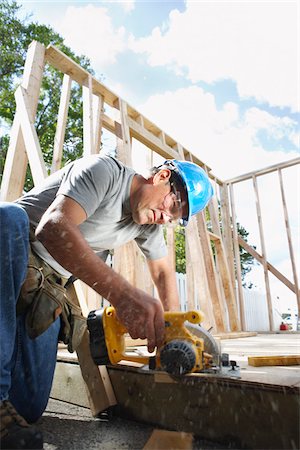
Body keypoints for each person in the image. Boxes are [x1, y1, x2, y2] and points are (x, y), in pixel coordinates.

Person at [0, 154, 213, 449]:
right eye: (172, 205)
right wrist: (124, 296)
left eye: (174, 218)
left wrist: (171, 331)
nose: (166, 217)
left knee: (28, 406)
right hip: (11, 253)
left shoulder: (147, 224)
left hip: (42, 285)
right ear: (162, 176)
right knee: (8, 217)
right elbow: (51, 227)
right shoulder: (104, 173)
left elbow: (163, 272)